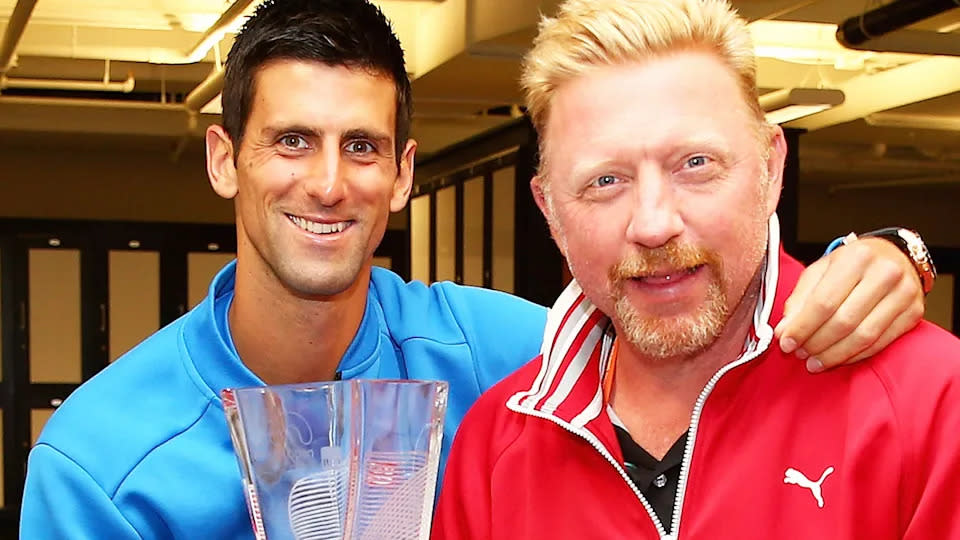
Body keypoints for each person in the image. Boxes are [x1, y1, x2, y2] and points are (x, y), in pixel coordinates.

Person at [20, 0, 933, 538]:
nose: (330, 183)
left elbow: (666, 317)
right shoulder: (97, 460)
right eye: (291, 142)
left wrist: (890, 256)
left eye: (364, 148)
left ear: (405, 174)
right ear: (225, 160)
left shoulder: (503, 358)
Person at [431, 0, 960, 538]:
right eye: (606, 181)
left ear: (771, 168)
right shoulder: (497, 443)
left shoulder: (929, 401)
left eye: (695, 164)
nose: (654, 224)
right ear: (551, 213)